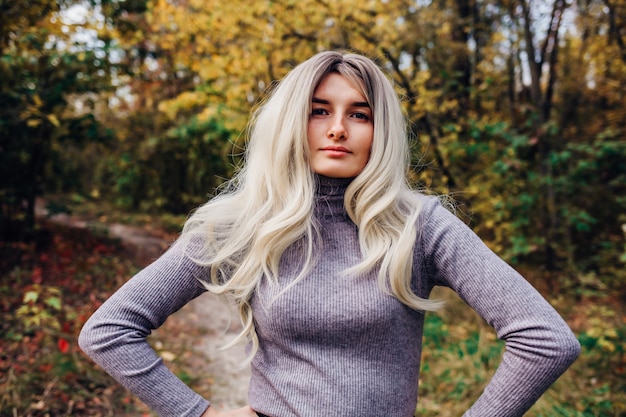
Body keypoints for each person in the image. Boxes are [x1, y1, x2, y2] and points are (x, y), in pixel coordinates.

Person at [78, 51, 580, 417]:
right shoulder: (240, 223)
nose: (338, 128)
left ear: (379, 130)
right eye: (320, 110)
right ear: (292, 121)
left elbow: (547, 341)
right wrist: (197, 413)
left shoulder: (420, 225)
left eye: (359, 114)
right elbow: (109, 331)